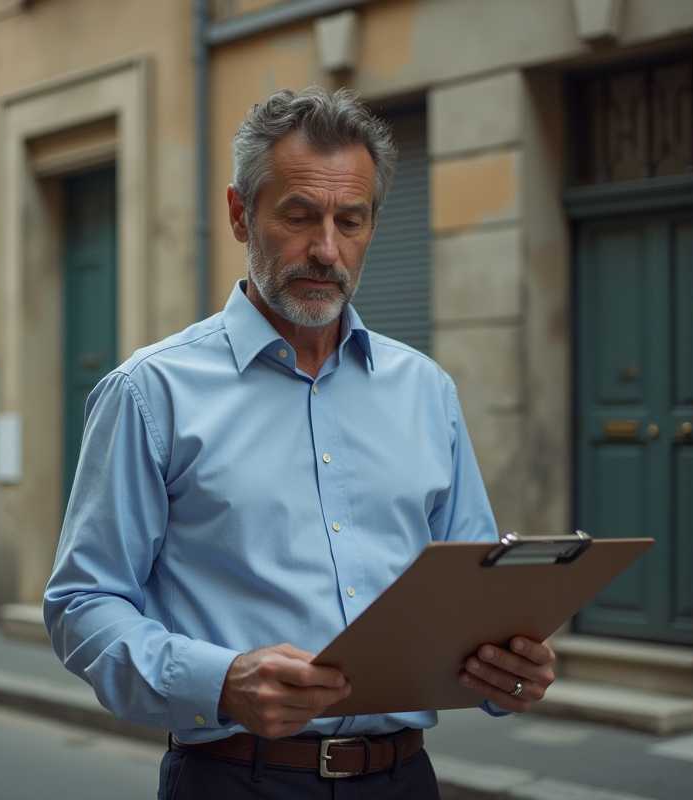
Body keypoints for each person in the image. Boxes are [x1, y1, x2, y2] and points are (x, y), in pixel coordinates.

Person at [44, 87, 556, 799]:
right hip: (234, 780)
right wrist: (220, 682)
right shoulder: (150, 393)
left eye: (350, 220)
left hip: (404, 781)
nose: (326, 249)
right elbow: (82, 603)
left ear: (374, 223)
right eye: (299, 216)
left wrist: (510, 669)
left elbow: (469, 591)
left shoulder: (426, 391)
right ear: (238, 213)